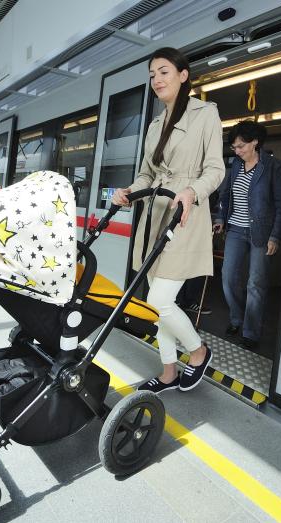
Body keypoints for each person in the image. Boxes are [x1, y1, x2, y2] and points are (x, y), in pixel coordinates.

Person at [111, 47, 224, 393]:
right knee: (156, 301)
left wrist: (191, 191)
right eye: (151, 75)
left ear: (183, 75)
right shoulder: (156, 123)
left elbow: (216, 169)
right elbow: (147, 174)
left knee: (160, 300)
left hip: (185, 214)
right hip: (156, 215)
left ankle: (198, 351)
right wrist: (129, 191)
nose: (156, 80)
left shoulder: (206, 113)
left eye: (163, 72)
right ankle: (168, 373)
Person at [213, 120, 281, 350]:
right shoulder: (236, 166)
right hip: (236, 230)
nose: (237, 151)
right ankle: (237, 319)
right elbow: (225, 195)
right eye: (234, 147)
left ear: (255, 142)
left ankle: (251, 332)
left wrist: (276, 237)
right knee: (228, 278)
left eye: (241, 146)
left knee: (255, 283)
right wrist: (220, 219)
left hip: (262, 232)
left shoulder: (274, 167)